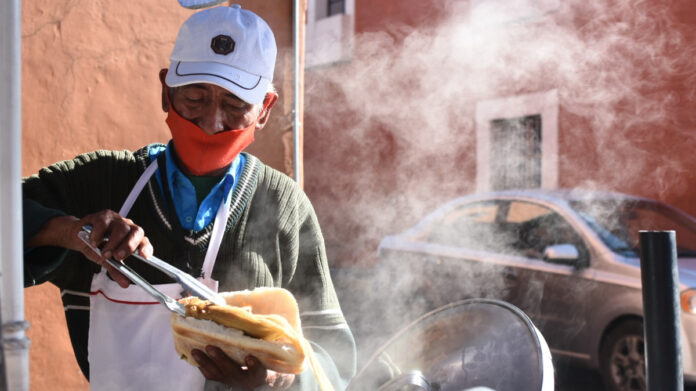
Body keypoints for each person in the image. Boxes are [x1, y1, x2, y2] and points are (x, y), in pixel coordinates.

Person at [22, 5, 356, 391]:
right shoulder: (101, 182)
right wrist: (67, 231)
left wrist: (280, 379)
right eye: (196, 98)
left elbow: (334, 357)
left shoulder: (283, 207)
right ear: (166, 91)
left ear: (264, 109)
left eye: (234, 106)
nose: (212, 124)